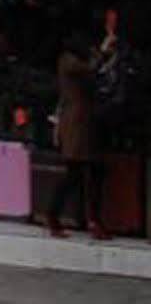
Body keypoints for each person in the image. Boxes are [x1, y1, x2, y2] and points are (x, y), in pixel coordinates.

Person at [49, 29, 115, 239]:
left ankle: (89, 220)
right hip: (78, 123)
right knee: (77, 172)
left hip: (83, 120)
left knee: (85, 172)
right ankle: (67, 217)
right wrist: (103, 50)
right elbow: (91, 69)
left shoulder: (69, 61)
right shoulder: (69, 62)